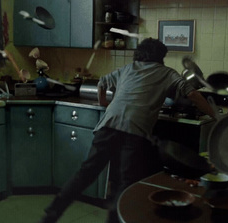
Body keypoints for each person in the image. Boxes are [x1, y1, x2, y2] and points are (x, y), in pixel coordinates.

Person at [39, 38, 215, 223]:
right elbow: (193, 94)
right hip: (134, 131)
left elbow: (102, 83)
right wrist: (214, 115)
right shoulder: (167, 73)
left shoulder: (127, 69)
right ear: (161, 56)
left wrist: (104, 104)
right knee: (124, 182)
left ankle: (52, 212)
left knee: (86, 173)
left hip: (107, 125)